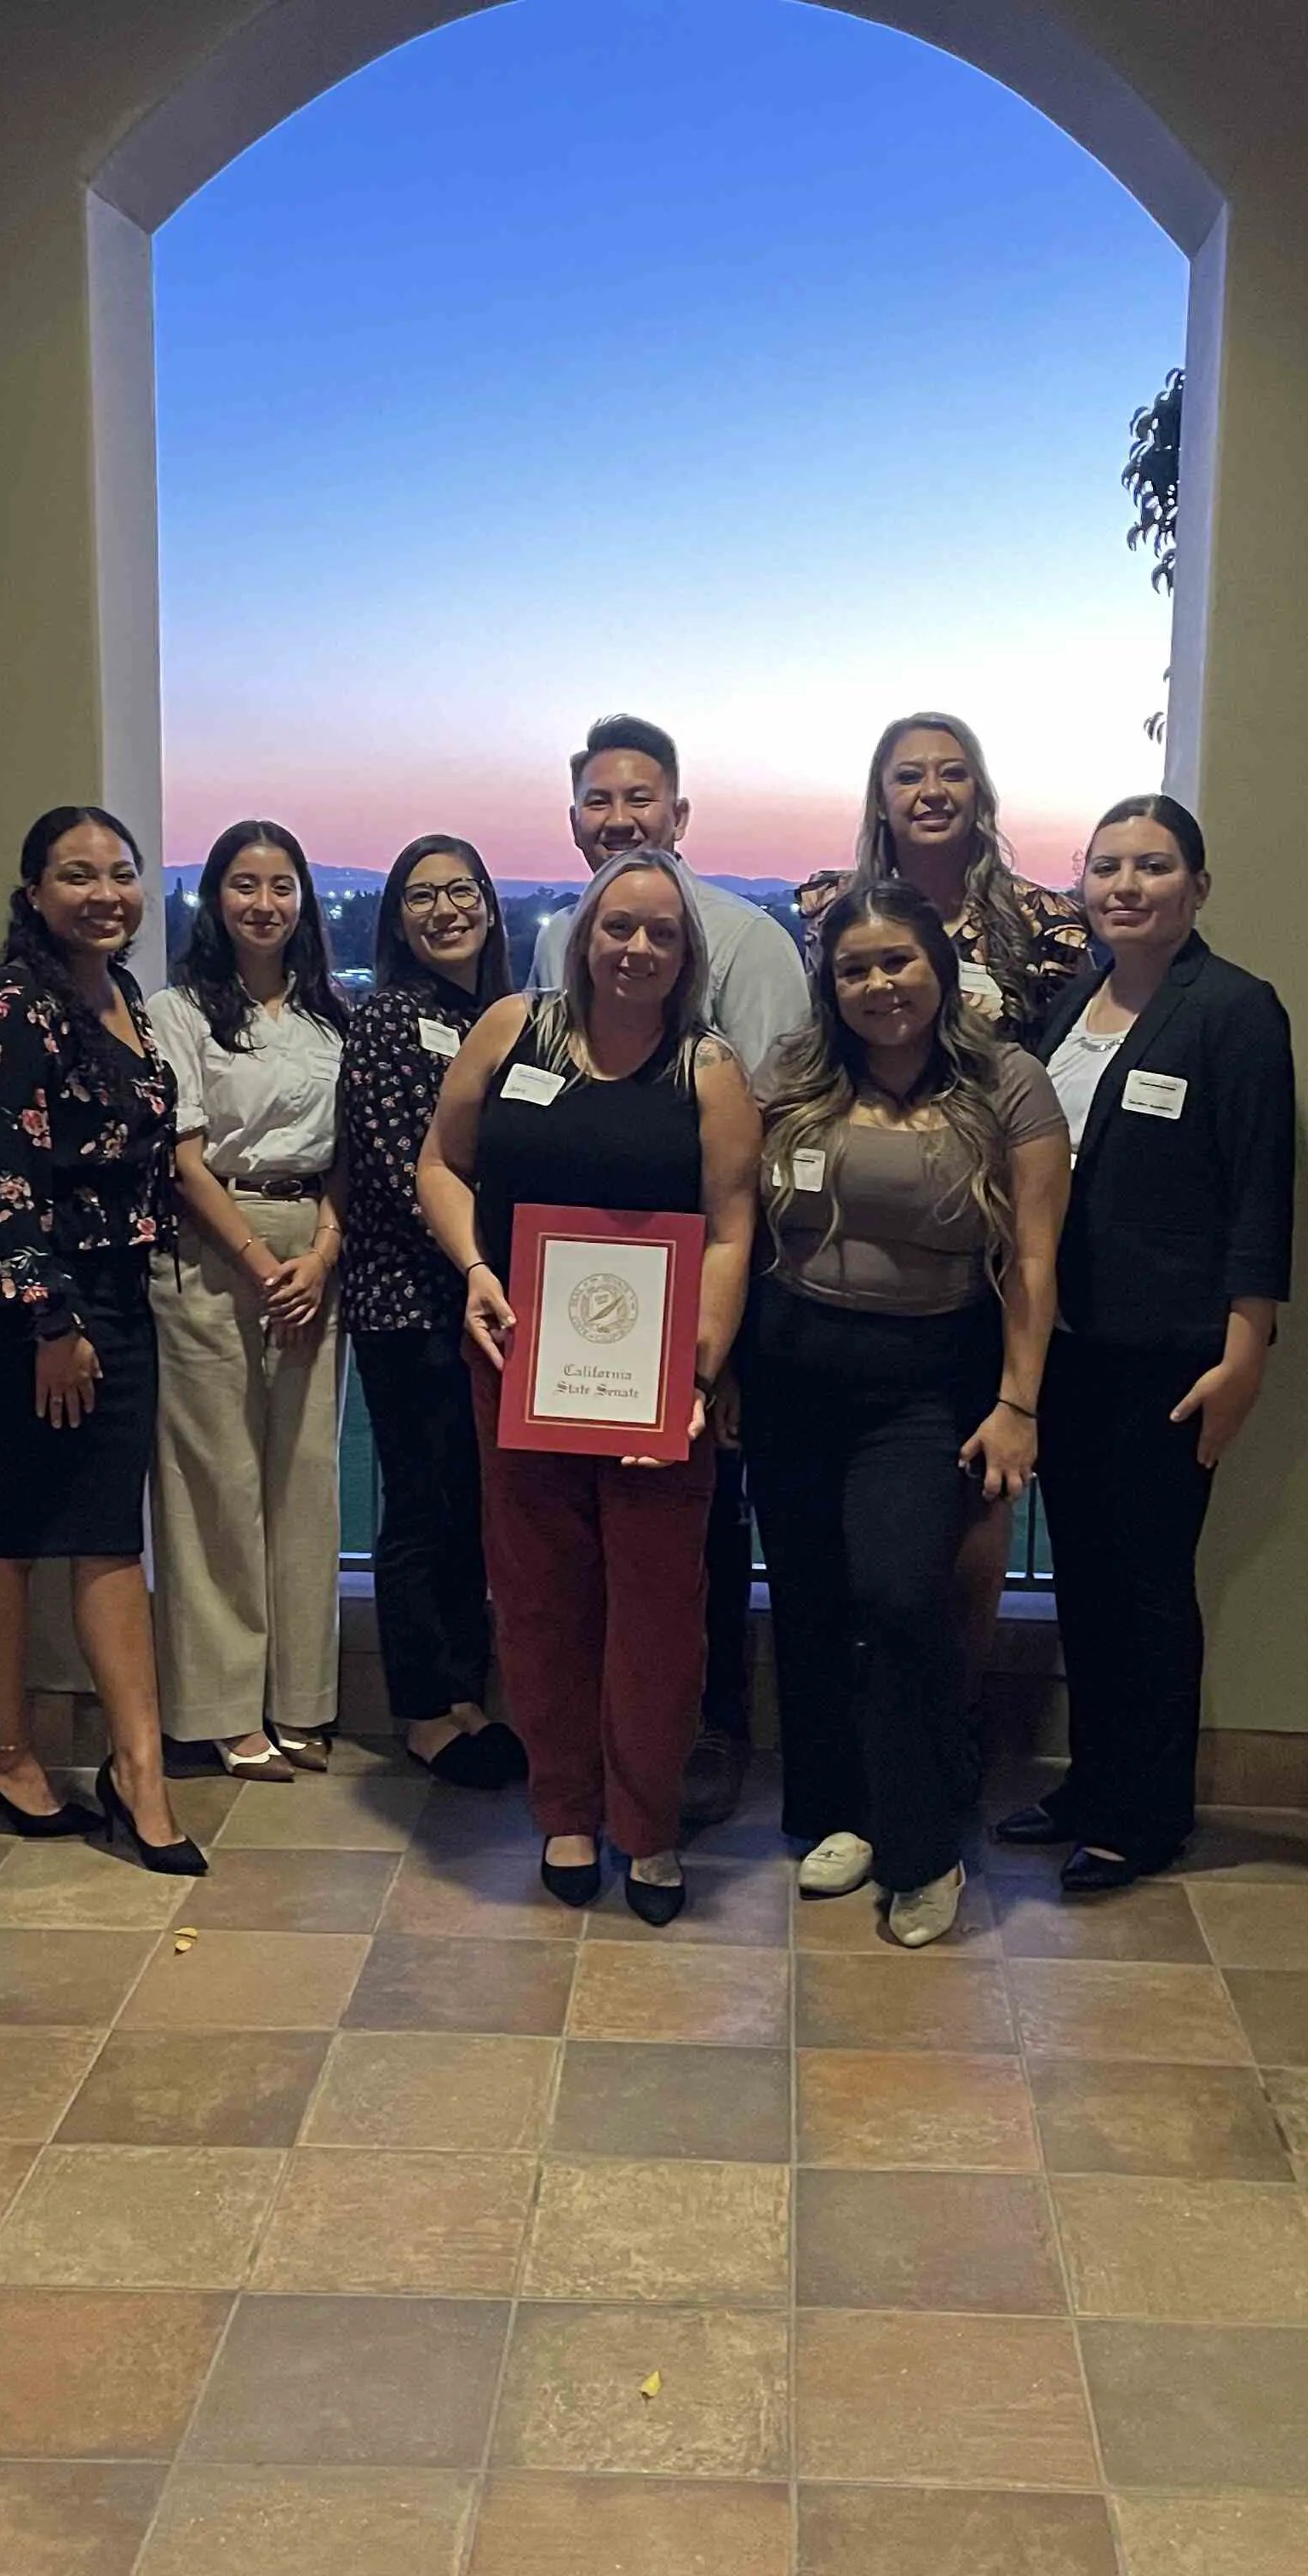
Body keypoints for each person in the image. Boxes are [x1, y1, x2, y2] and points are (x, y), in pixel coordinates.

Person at [422, 850, 761, 1923]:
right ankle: (566, 1813)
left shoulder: (708, 1069)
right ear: (584, 934)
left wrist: (698, 1375)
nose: (638, 949)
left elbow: (730, 1233)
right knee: (537, 1599)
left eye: (662, 933)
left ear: (687, 952)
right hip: (518, 1361)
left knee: (659, 1611)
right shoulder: (513, 1028)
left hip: (661, 1388)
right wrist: (475, 1271)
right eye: (620, 928)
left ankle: (649, 1828)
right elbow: (442, 1161)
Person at [748, 882, 1067, 1946]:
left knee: (899, 1597)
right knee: (809, 1597)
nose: (879, 985)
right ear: (828, 985)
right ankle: (839, 1814)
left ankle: (923, 1845)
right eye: (854, 969)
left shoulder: (1007, 1084)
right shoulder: (792, 1080)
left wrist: (1018, 1400)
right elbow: (737, 1229)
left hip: (930, 1380)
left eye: (898, 963)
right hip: (793, 1367)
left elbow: (1032, 1256)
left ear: (939, 969)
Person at [995, 794, 1291, 1893]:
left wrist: (1247, 1344)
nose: (1127, 885)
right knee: (1086, 1580)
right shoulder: (1075, 1002)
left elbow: (1263, 1189)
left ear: (1197, 888)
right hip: (1070, 1345)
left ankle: (1148, 1813)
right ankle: (1092, 1783)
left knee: (1151, 1586)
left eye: (1154, 866)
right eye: (1108, 866)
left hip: (1171, 1356)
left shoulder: (1236, 1010)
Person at [524, 716, 807, 1829]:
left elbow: (772, 1126)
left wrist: (721, 1336)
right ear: (575, 818)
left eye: (640, 800)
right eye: (599, 801)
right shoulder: (558, 939)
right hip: (586, 1296)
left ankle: (705, 1730)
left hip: (698, 1290)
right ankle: (604, 1747)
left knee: (698, 1526)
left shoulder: (751, 938)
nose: (619, 819)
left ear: (679, 816)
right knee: (586, 1531)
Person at [0, 807, 202, 1872]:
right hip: (31, 1309)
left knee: (107, 1531)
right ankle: (3, 1753)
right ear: (33, 889)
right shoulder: (11, 1010)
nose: (105, 893)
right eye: (77, 875)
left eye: (122, 873)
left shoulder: (123, 996)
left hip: (118, 1292)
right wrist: (50, 1320)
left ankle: (136, 1768)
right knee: (7, 1529)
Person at [146, 820, 351, 1783]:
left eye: (281, 885)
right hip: (211, 1245)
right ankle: (222, 1709)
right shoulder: (176, 1010)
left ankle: (303, 1699)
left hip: (312, 1247)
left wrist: (321, 1251)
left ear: (304, 900)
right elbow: (182, 1156)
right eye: (242, 884)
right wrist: (255, 1258)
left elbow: (355, 1156)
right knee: (215, 1486)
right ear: (213, 900)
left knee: (304, 1479)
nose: (263, 903)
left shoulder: (332, 1017)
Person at [341, 834, 524, 1788]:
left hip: (484, 1303)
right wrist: (491, 1251)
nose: (445, 910)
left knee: (467, 1505)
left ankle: (467, 1693)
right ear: (398, 919)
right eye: (422, 897)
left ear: (490, 905)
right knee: (421, 1502)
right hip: (411, 1302)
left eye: (462, 891)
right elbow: (405, 1171)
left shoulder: (495, 1016)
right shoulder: (385, 1022)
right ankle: (422, 1706)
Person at [792, 713, 1088, 1031]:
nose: (933, 791)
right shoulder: (836, 908)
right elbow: (818, 1034)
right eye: (908, 777)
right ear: (880, 802)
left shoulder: (1044, 922)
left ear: (979, 796)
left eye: (953, 774)